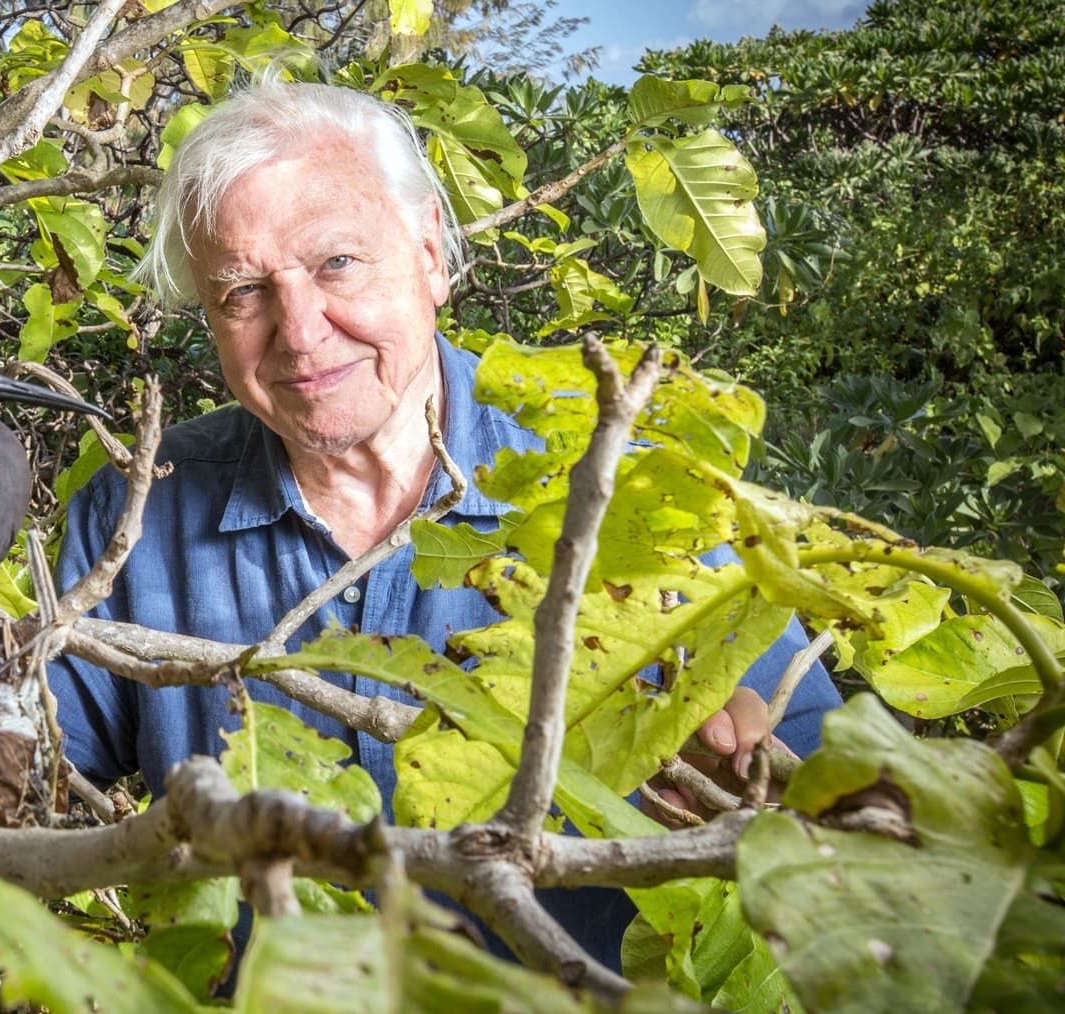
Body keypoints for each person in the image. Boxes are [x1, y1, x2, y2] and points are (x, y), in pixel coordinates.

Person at [45, 80, 843, 968]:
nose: (300, 332)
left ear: (430, 251)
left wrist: (742, 785)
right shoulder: (139, 510)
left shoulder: (624, 485)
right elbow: (27, 764)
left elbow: (819, 804)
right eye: (243, 292)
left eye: (336, 264)